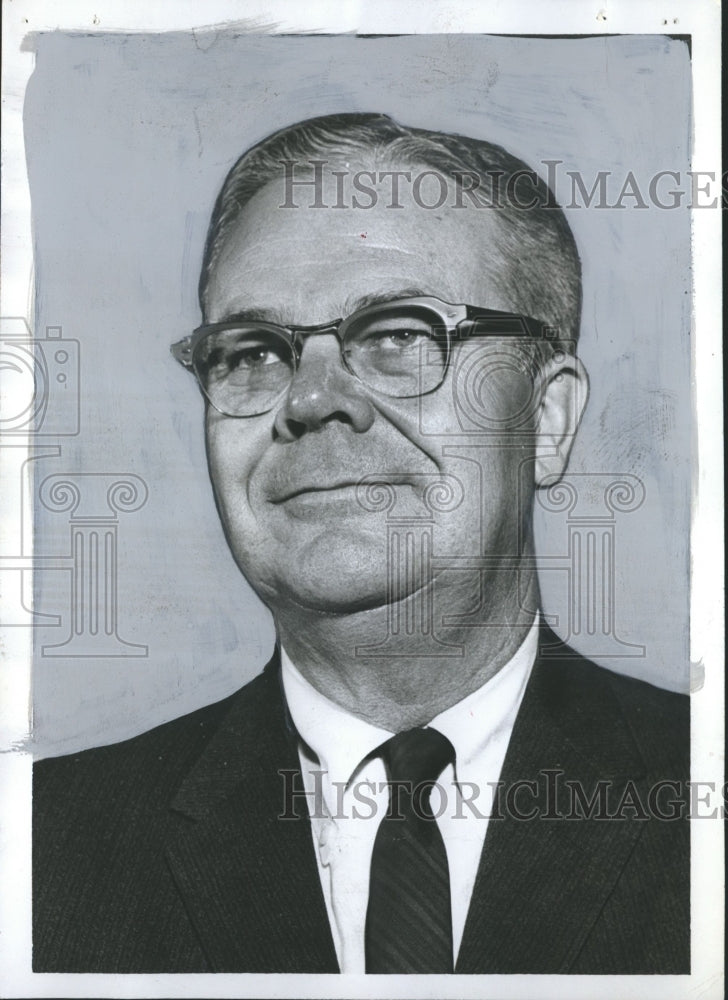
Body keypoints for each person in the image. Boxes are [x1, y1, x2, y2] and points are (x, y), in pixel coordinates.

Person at [33, 113, 689, 975]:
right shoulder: (44, 853)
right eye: (254, 353)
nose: (309, 400)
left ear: (547, 418)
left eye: (397, 337)